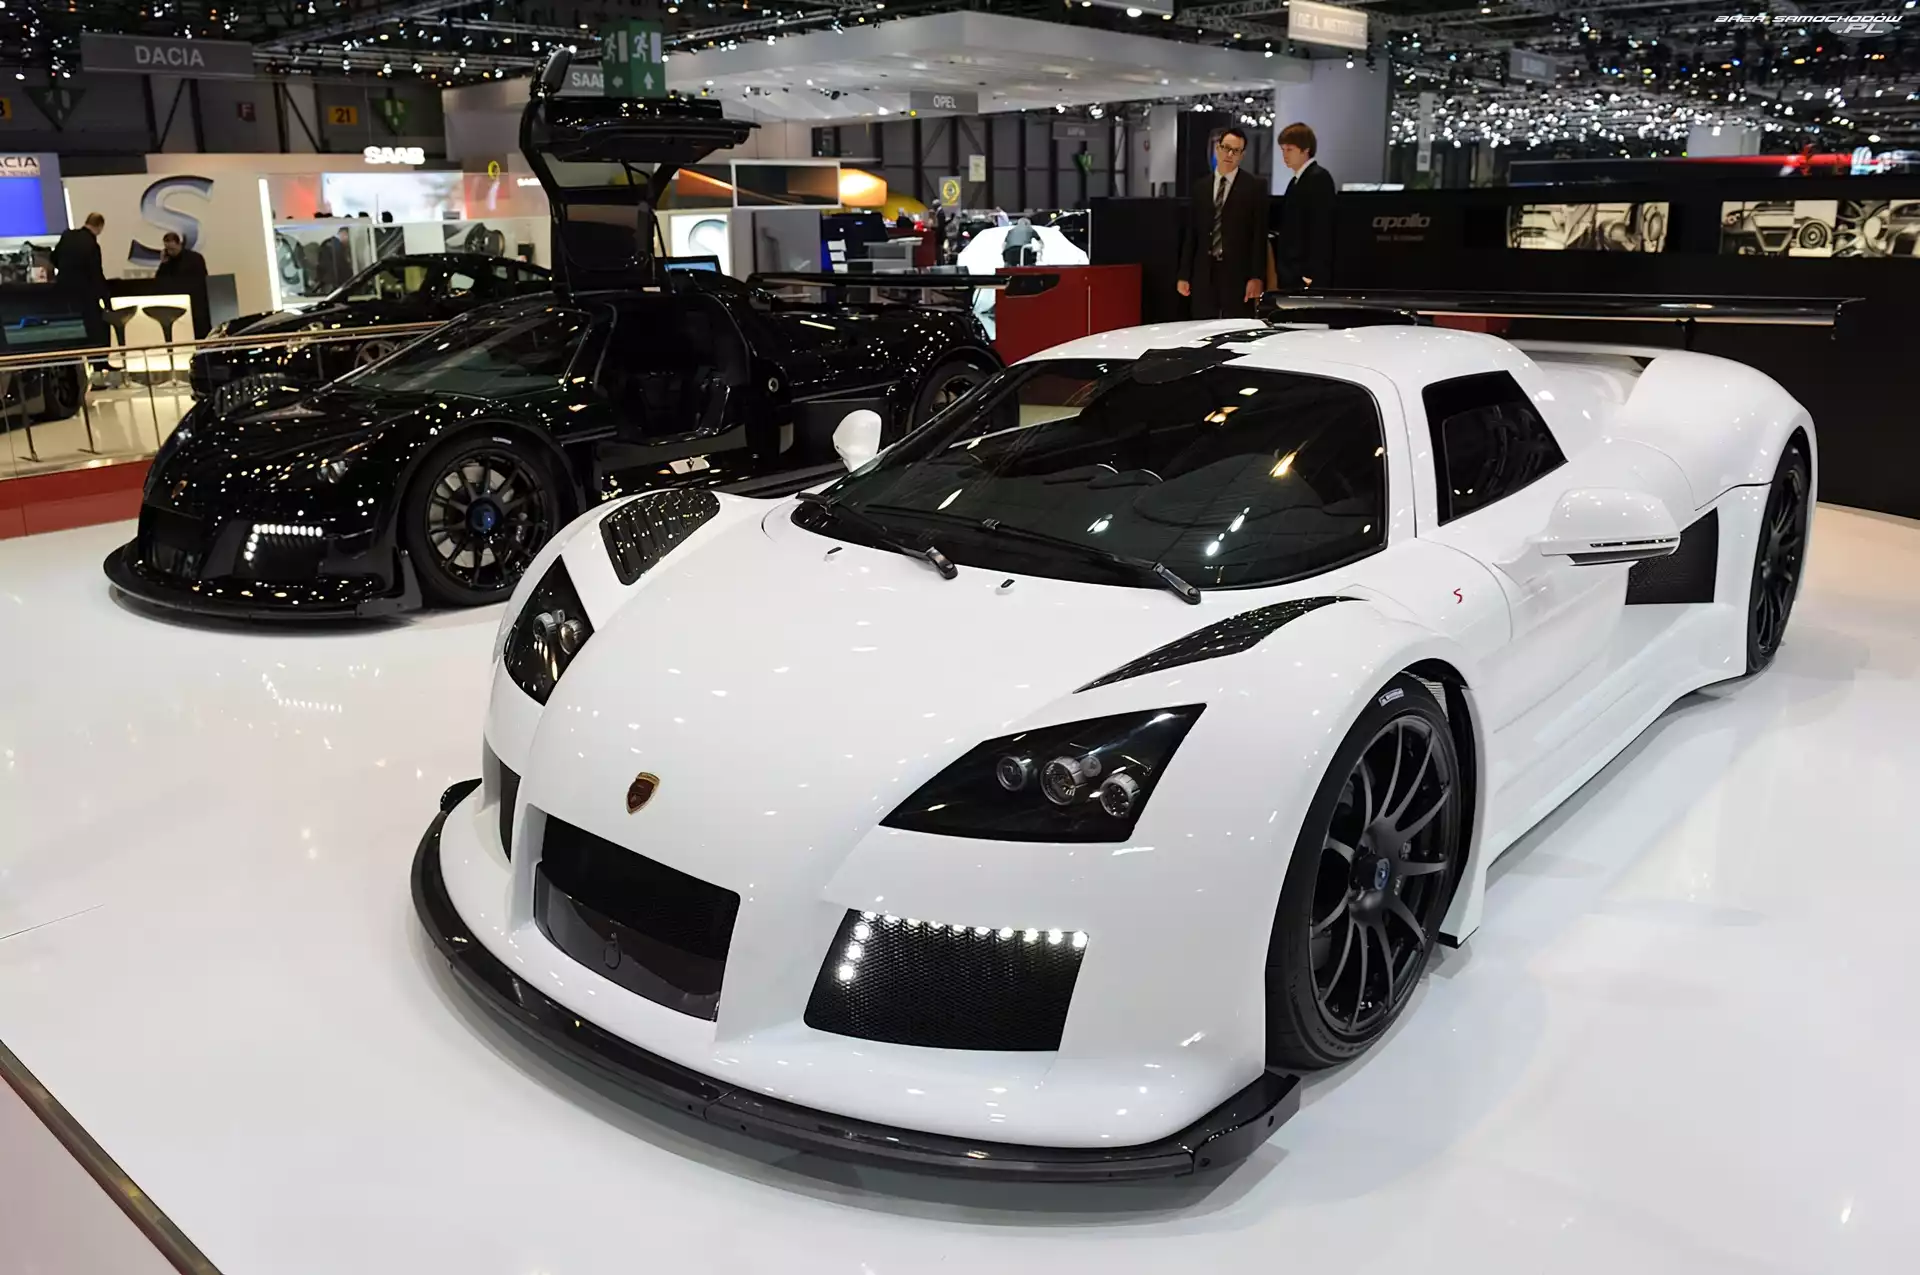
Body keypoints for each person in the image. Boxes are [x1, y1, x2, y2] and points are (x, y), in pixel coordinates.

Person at [1176, 126, 1270, 320]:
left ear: (1242, 155)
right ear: (1217, 148)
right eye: (1226, 148)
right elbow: (1192, 234)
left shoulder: (1254, 187)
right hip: (1204, 272)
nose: (1229, 154)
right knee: (1201, 326)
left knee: (1237, 327)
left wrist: (1256, 276)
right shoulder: (1200, 187)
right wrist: (1184, 274)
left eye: (1235, 150)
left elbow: (1258, 236)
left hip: (1238, 273)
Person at [1274, 122, 1336, 292]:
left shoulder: (1318, 178)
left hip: (1306, 275)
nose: (1285, 155)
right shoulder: (1296, 181)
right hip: (1294, 273)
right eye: (1283, 150)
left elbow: (1321, 229)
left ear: (1305, 149)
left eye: (1290, 149)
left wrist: (1310, 273)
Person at [53, 212, 111, 385]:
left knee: (70, 331)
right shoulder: (92, 245)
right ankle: (99, 367)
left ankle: (71, 369)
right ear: (99, 226)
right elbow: (96, 274)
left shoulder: (67, 236)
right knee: (97, 329)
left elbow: (53, 258)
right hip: (85, 295)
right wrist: (106, 301)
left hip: (63, 293)